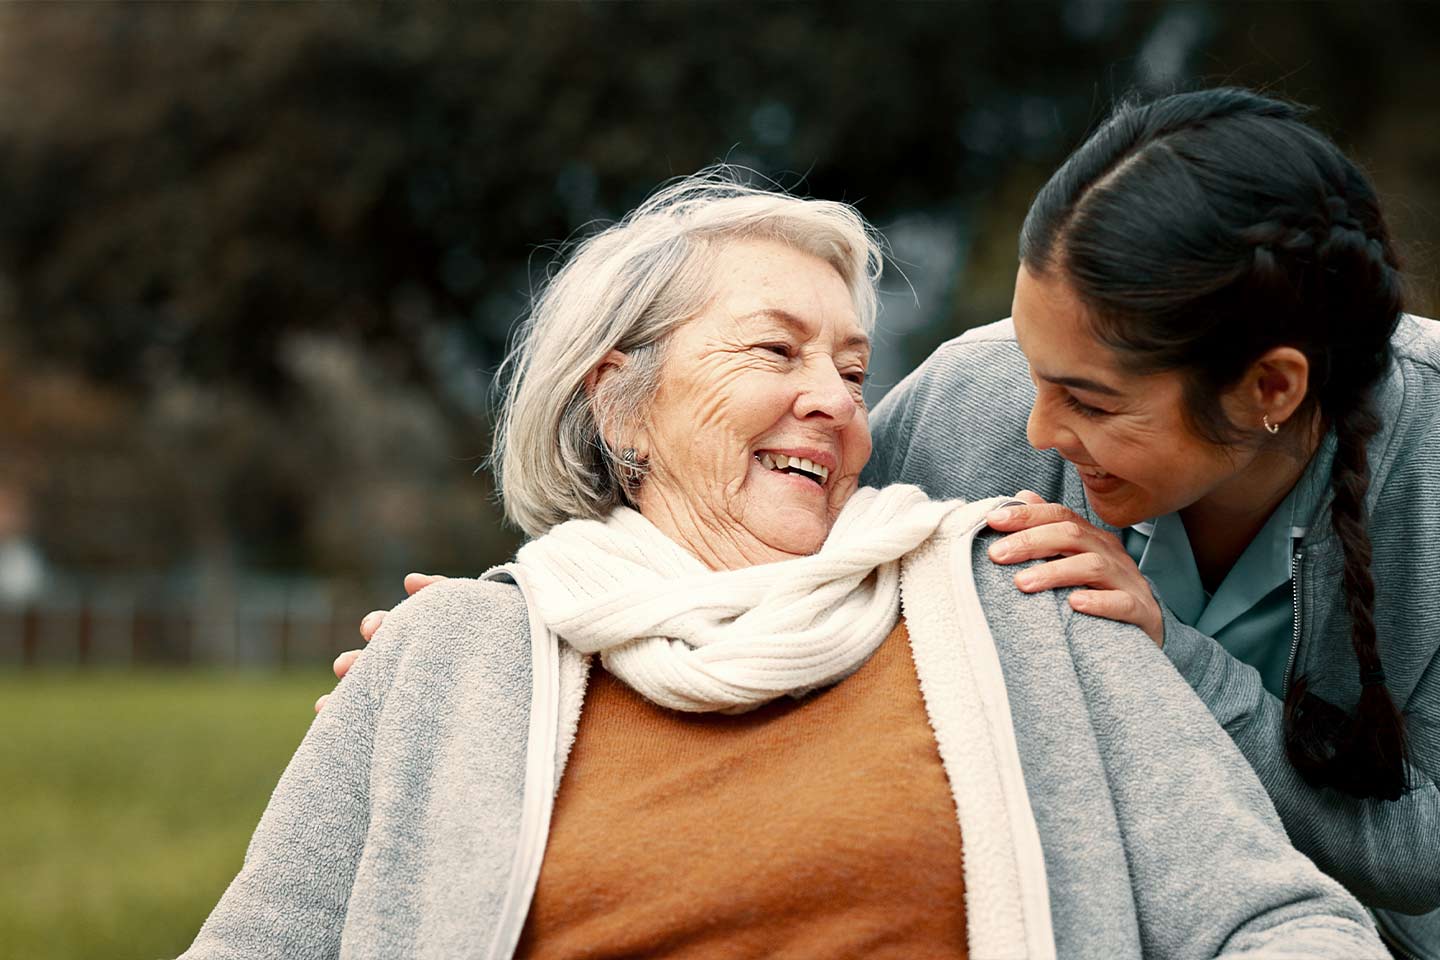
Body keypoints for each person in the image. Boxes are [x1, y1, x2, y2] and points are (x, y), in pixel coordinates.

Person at [187, 169, 1385, 959]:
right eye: (776, 349)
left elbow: (1271, 921)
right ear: (622, 405)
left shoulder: (1016, 598)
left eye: (856, 371)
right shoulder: (455, 655)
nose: (832, 401)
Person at [865, 88, 1439, 959]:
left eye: (1090, 402)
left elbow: (1423, 847)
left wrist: (1171, 654)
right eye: (1032, 370)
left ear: (1271, 389)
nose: (1039, 433)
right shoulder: (961, 404)